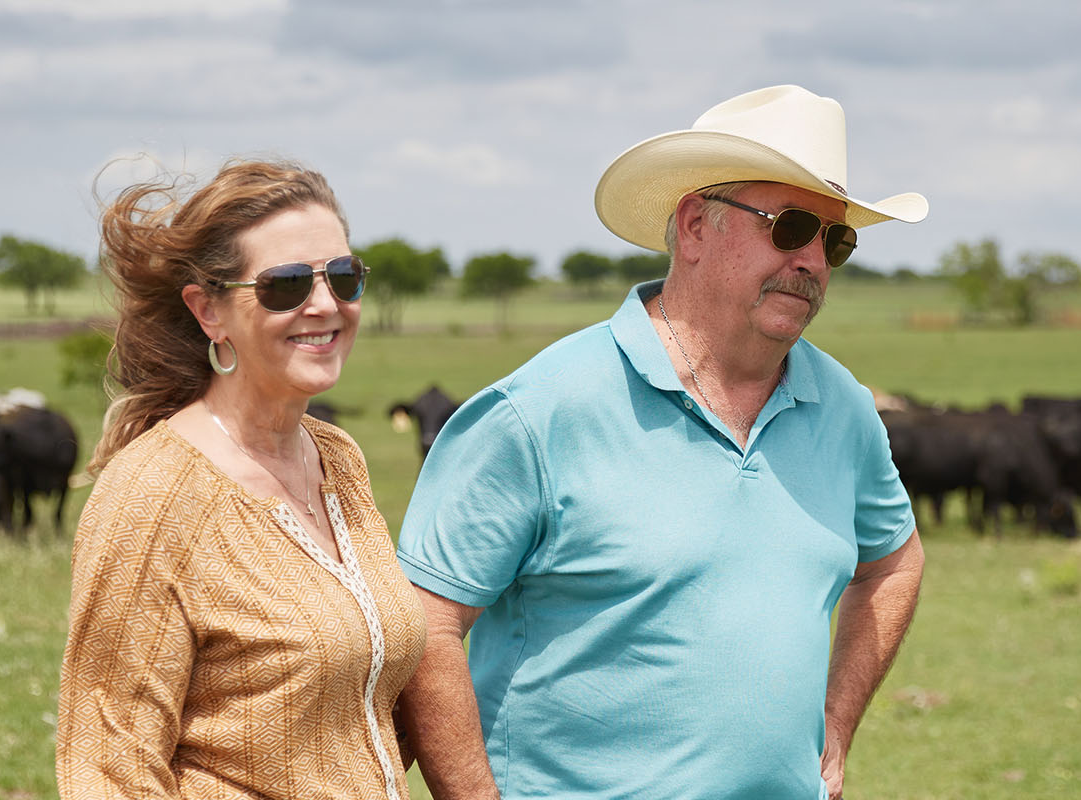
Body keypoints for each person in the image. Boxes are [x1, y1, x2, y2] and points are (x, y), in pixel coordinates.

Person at [395, 85, 929, 799]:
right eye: (791, 225)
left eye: (835, 240)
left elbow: (895, 561)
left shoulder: (843, 407)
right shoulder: (538, 411)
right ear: (694, 226)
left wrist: (836, 725)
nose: (813, 260)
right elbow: (426, 627)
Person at [56, 159, 425, 799]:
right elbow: (109, 769)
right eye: (284, 285)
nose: (325, 305)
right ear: (209, 312)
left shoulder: (337, 456)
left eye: (344, 277)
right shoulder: (152, 494)